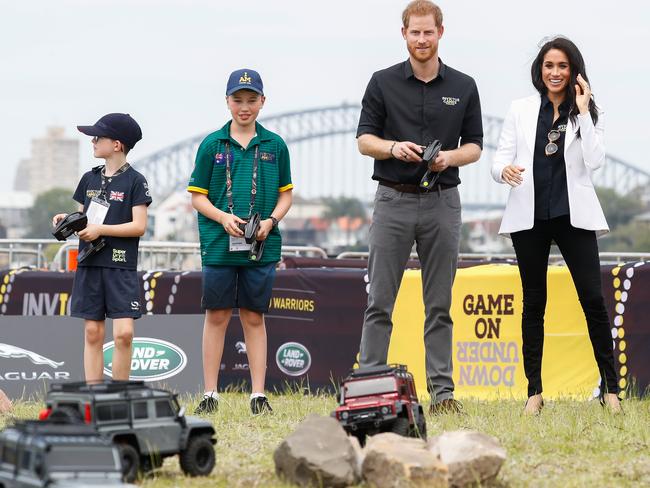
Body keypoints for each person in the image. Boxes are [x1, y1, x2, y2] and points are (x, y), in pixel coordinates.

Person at [356, 0, 483, 414]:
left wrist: (448, 157)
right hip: (392, 199)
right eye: (415, 32)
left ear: (441, 33)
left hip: (443, 202)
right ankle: (368, 386)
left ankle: (443, 395)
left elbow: (475, 146)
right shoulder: (381, 82)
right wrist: (393, 147)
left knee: (439, 305)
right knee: (380, 301)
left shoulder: (464, 86)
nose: (422, 39)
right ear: (404, 34)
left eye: (429, 32)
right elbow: (363, 140)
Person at [491, 36, 622, 415]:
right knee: (534, 303)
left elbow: (595, 161)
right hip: (528, 217)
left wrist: (582, 111)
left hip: (573, 217)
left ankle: (610, 390)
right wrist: (505, 171)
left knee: (593, 300)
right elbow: (497, 161)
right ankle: (535, 391)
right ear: (540, 69)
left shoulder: (588, 113)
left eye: (562, 66)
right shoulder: (520, 109)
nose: (555, 72)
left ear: (573, 71)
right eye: (549, 65)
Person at [188, 69, 293, 415]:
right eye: (238, 100)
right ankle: (210, 393)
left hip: (260, 245)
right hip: (219, 244)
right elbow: (197, 198)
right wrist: (223, 217)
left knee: (253, 316)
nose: (244, 107)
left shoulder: (275, 145)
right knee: (216, 315)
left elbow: (286, 196)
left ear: (263, 102)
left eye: (251, 100)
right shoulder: (211, 145)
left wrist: (271, 221)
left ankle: (258, 394)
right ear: (227, 102)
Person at [52, 113, 151, 381]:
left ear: (117, 144)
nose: (93, 141)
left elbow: (139, 226)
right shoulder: (89, 178)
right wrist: (67, 220)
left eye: (98, 137)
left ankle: (119, 396)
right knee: (93, 333)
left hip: (121, 265)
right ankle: (94, 397)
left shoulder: (136, 180)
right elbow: (83, 220)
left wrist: (101, 230)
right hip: (89, 262)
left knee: (124, 334)